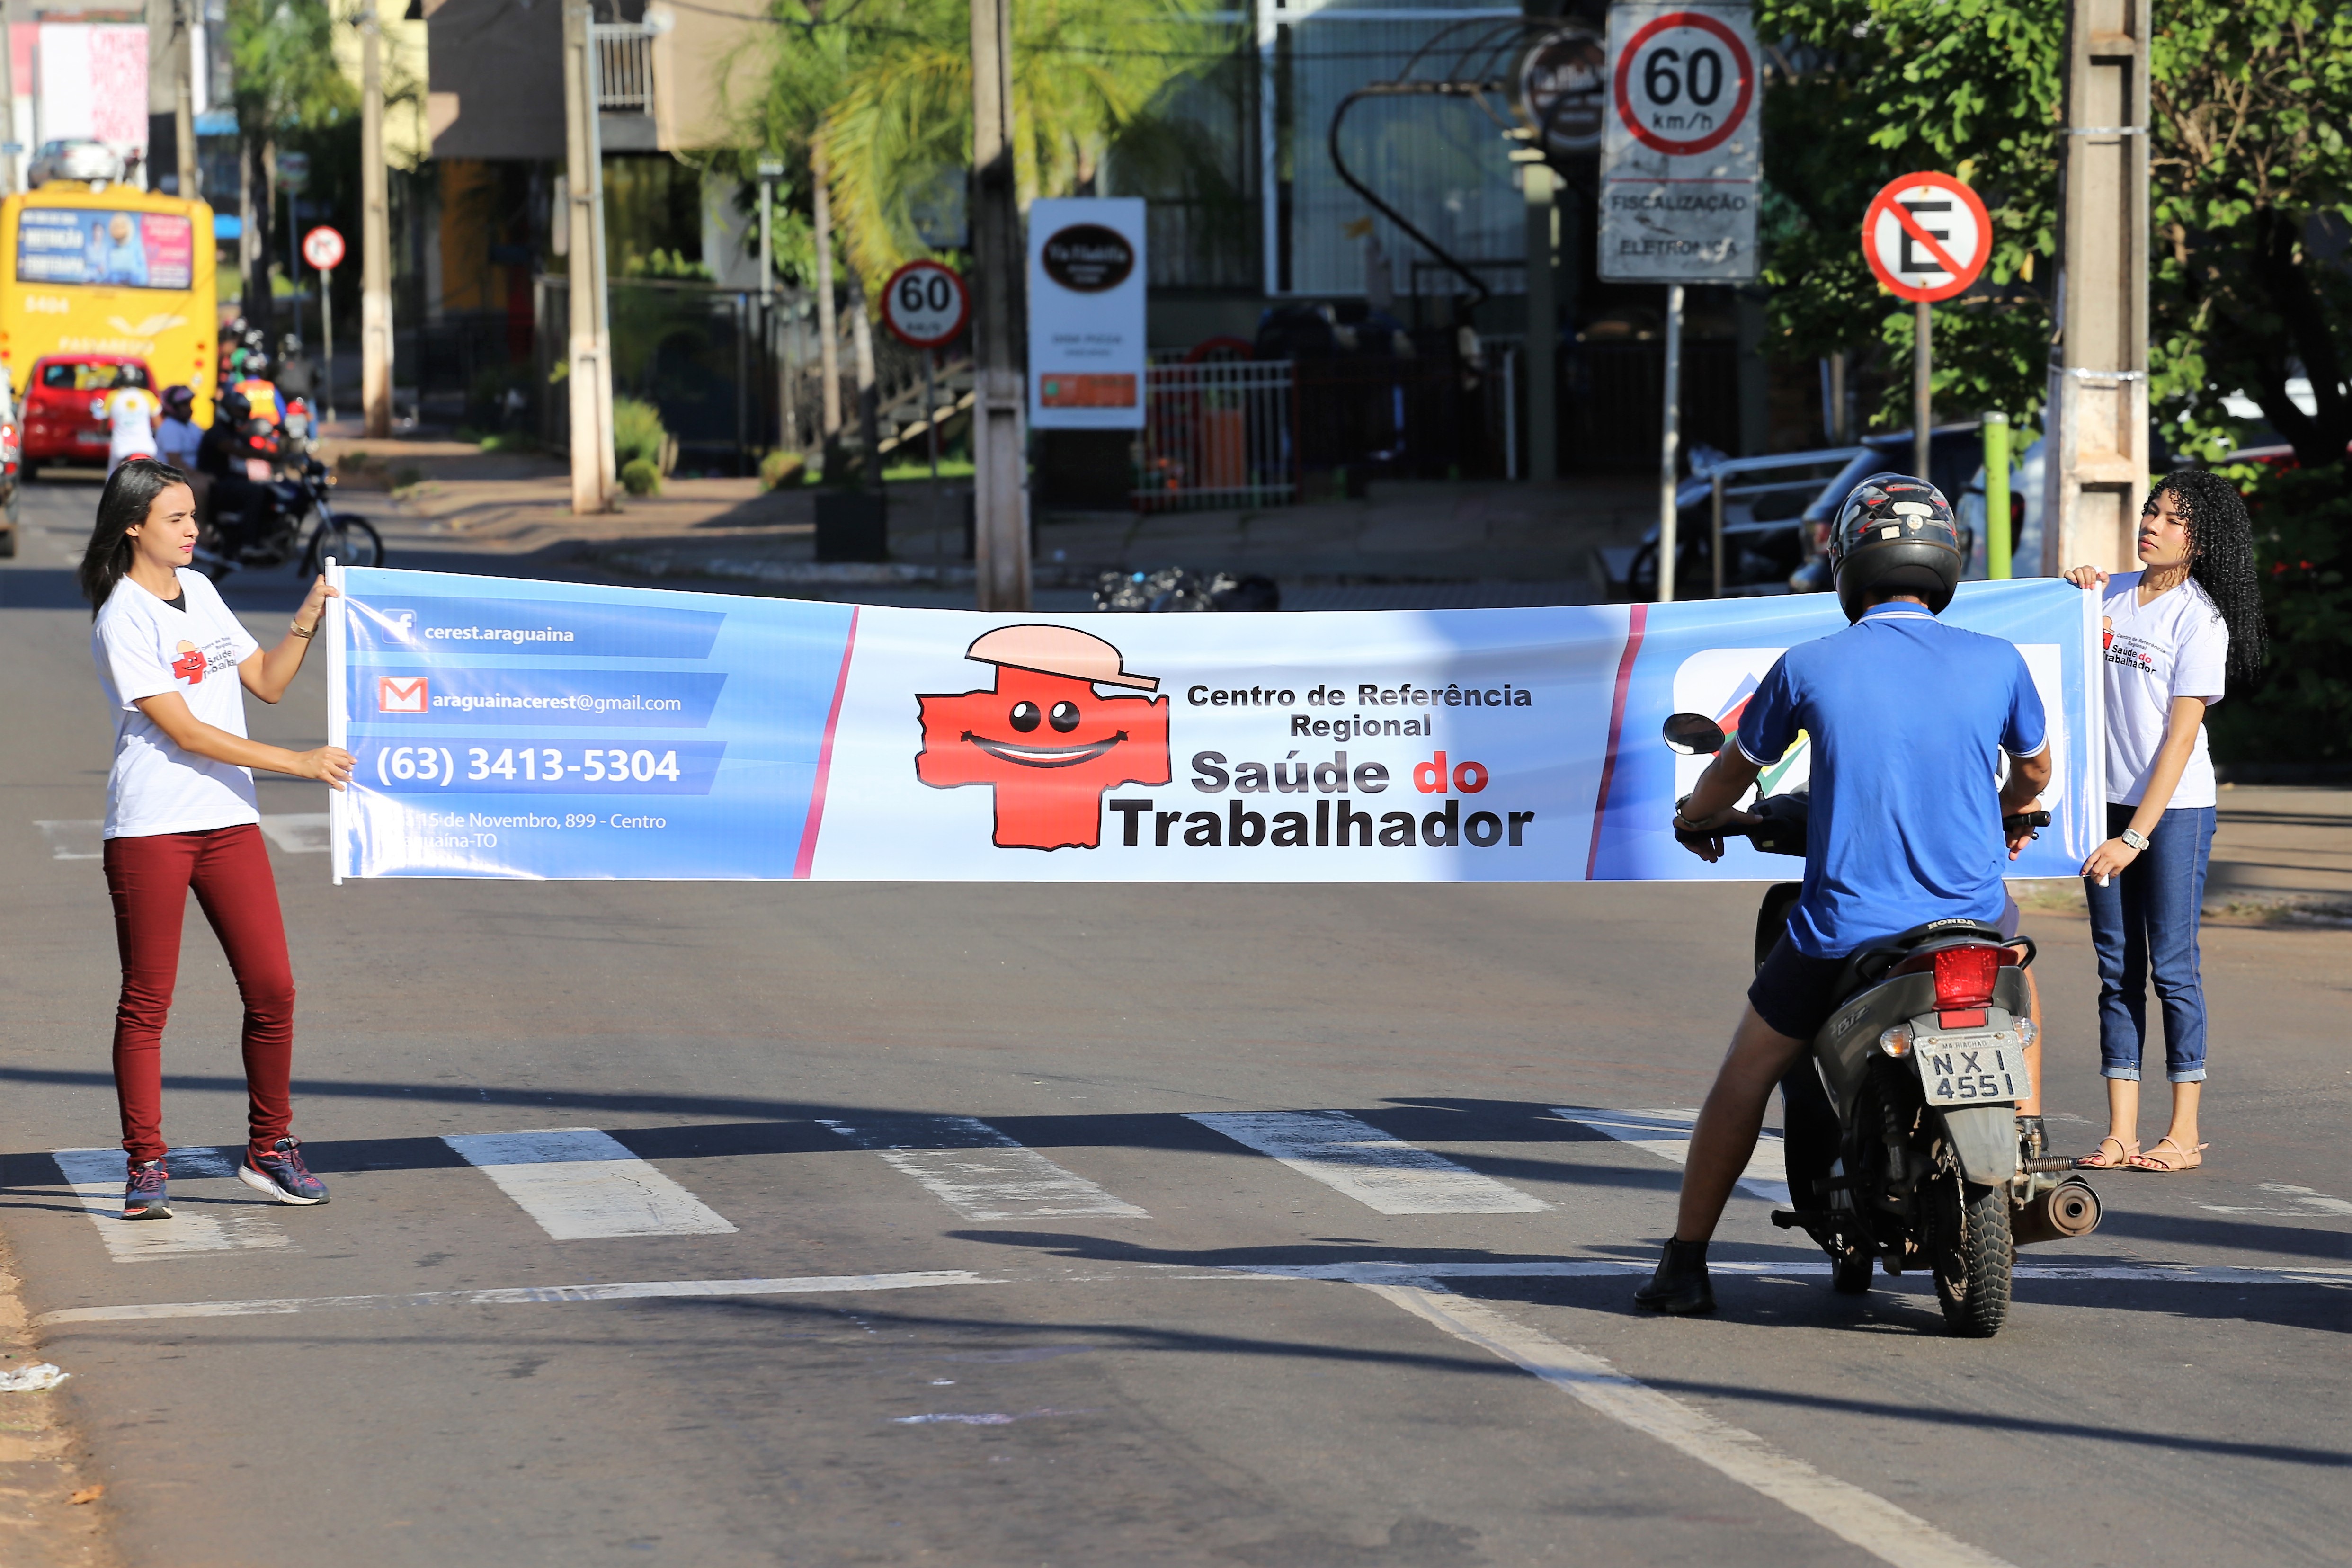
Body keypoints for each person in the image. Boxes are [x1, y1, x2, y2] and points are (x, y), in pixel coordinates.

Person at [1636, 473, 2054, 1315]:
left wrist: (1697, 818)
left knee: (1745, 1074)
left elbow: (1728, 777)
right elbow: (2036, 773)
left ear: (1847, 562)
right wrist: (2013, 809)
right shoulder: (1997, 660)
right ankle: (2026, 1133)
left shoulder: (1809, 665)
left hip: (1845, 931)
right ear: (1947, 558)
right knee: (2016, 975)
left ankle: (1685, 1263)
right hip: (1969, 923)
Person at [79, 458, 352, 1219]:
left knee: (272, 988)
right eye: (176, 518)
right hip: (152, 827)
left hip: (229, 821)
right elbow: (188, 731)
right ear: (133, 527)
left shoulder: (200, 591)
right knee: (148, 1002)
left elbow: (266, 681)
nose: (193, 529)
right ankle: (146, 1164)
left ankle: (270, 1149)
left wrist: (308, 614)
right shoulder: (123, 617)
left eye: (194, 515)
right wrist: (298, 762)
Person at [2063, 471, 2266, 1175]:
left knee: (2173, 969)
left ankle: (2182, 1134)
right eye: (2152, 511)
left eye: (2173, 519)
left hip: (2174, 812)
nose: (2152, 524)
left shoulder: (2198, 619)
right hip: (2105, 806)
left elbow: (2180, 742)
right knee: (2116, 968)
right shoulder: (2106, 595)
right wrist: (2072, 591)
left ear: (2201, 541)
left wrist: (2134, 838)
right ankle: (2121, 1132)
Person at [106, 381, 159, 472]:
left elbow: (103, 428)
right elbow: (159, 425)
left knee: (113, 476)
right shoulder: (148, 395)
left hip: (120, 450)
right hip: (146, 448)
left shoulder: (113, 396)